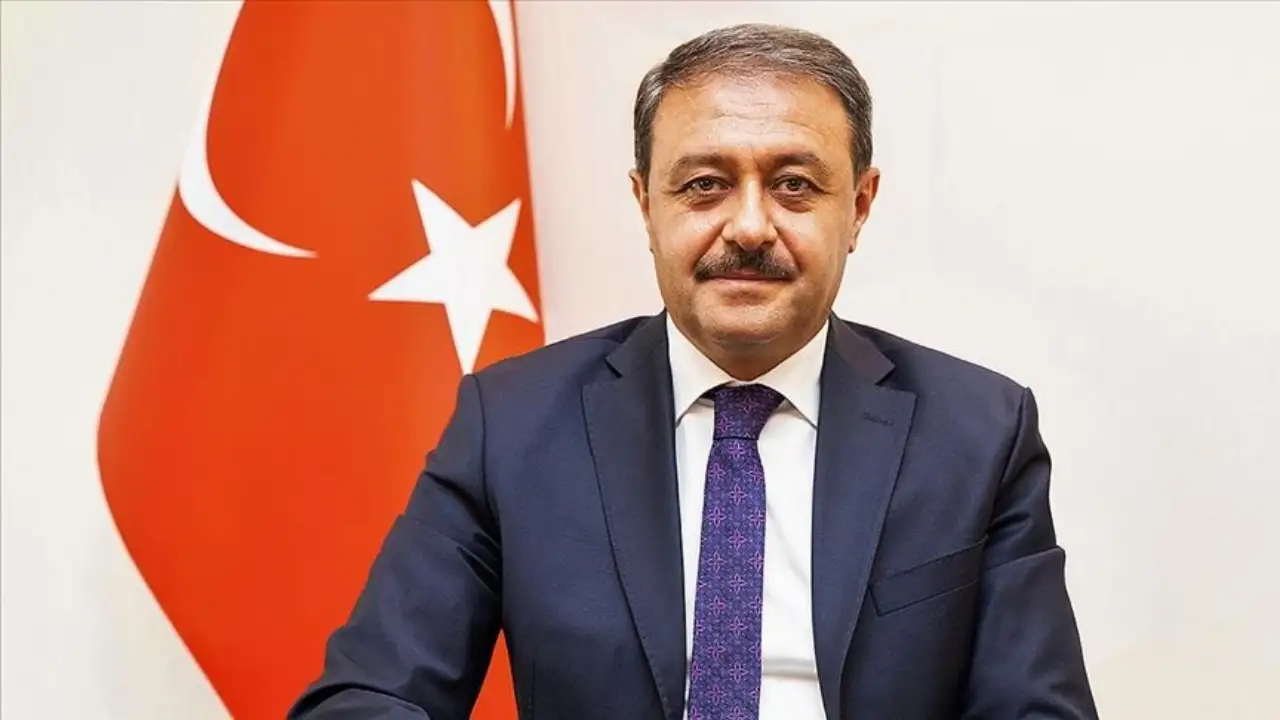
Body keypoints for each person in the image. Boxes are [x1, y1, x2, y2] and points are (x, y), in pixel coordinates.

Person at [288, 23, 1098, 720]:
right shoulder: (511, 424)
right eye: (704, 185)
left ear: (858, 206)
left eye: (794, 185)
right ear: (646, 203)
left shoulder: (977, 432)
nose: (748, 226)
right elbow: (369, 696)